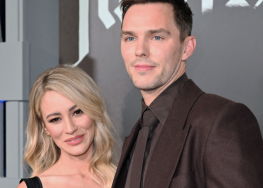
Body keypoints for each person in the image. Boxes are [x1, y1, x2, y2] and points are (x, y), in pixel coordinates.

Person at [112, 0, 263, 188]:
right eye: (130, 38)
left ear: (187, 48)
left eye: (156, 37)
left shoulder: (221, 121)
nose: (140, 50)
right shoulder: (138, 132)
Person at [17, 65, 116, 188]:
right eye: (55, 119)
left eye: (77, 112)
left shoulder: (125, 178)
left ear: (94, 111)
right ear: (45, 127)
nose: (70, 128)